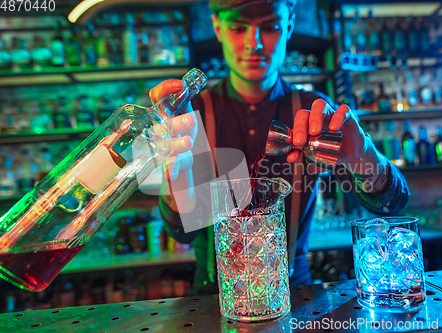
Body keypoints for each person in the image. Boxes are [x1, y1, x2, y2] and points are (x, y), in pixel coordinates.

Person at [149, 0, 409, 294]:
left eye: (270, 27)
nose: (254, 44)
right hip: (213, 297)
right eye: (238, 27)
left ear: (289, 25)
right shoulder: (191, 114)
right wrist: (175, 180)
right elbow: (182, 231)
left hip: (294, 293)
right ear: (217, 27)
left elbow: (391, 204)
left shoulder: (313, 113)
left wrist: (364, 156)